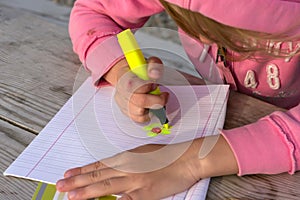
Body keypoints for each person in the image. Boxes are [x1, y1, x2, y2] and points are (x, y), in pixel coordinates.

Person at [56, 0, 300, 199]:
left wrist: (192, 162)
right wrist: (121, 72)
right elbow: (92, 10)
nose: (203, 39)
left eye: (234, 31)